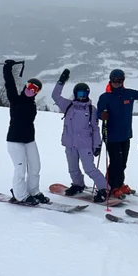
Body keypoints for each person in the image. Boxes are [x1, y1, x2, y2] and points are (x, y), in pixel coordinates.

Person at [97, 68, 138, 198]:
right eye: (115, 80)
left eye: (120, 80)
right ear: (111, 80)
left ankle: (117, 183)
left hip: (125, 135)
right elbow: (98, 114)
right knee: (116, 163)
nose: (117, 83)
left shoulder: (128, 94)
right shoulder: (105, 97)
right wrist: (103, 115)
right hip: (111, 136)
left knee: (122, 163)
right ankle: (114, 187)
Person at [51, 69, 108, 203]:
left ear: (88, 94)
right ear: (75, 94)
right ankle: (78, 185)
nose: (82, 96)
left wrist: (97, 145)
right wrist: (61, 81)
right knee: (73, 168)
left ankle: (103, 189)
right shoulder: (68, 106)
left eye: (84, 94)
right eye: (79, 93)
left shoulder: (91, 109)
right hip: (70, 144)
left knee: (89, 169)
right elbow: (55, 96)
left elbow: (95, 128)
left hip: (85, 145)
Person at [2, 59, 50, 205]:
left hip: (29, 139)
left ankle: (33, 191)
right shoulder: (15, 99)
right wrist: (7, 68)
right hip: (15, 140)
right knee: (20, 168)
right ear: (25, 86)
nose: (31, 90)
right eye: (30, 86)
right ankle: (20, 195)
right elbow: (9, 83)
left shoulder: (33, 104)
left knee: (35, 166)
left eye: (35, 89)